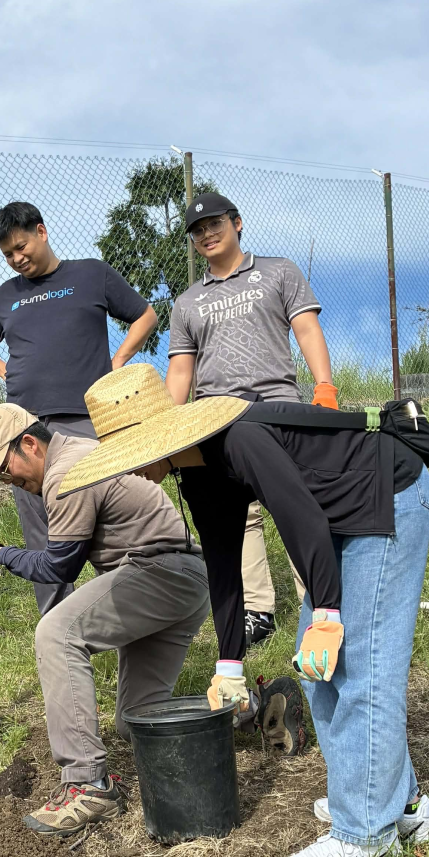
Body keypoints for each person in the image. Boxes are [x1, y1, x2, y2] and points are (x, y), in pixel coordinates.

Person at [57, 363, 429, 857]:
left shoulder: (241, 439)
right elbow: (223, 565)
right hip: (345, 517)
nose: (130, 471)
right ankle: (405, 805)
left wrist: (326, 613)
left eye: (133, 457)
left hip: (389, 496)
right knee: (318, 671)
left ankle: (365, 833)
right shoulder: (197, 474)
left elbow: (300, 518)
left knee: (360, 667)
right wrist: (229, 662)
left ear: (157, 440)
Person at [0, 401, 211, 837]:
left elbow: (59, 568)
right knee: (136, 720)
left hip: (160, 572)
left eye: (6, 469)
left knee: (56, 632)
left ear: (30, 443)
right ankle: (245, 710)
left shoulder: (66, 474)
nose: (9, 480)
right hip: (184, 578)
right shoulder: (77, 451)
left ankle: (87, 785)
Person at [166, 190, 336, 650]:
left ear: (237, 222)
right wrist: (167, 435)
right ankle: (257, 611)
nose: (206, 233)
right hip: (216, 419)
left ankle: (318, 604)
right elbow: (181, 371)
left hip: (277, 407)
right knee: (240, 523)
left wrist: (324, 388)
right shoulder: (187, 303)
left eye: (214, 223)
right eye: (197, 230)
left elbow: (306, 329)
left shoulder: (278, 271)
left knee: (296, 505)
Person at [0, 201, 158, 614]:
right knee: (41, 532)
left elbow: (145, 315)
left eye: (21, 247)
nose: (16, 259)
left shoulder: (90, 274)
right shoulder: (6, 296)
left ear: (42, 231)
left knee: (107, 522)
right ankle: (57, 624)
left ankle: (128, 610)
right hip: (25, 432)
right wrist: (5, 372)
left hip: (86, 422)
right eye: (7, 254)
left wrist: (118, 361)